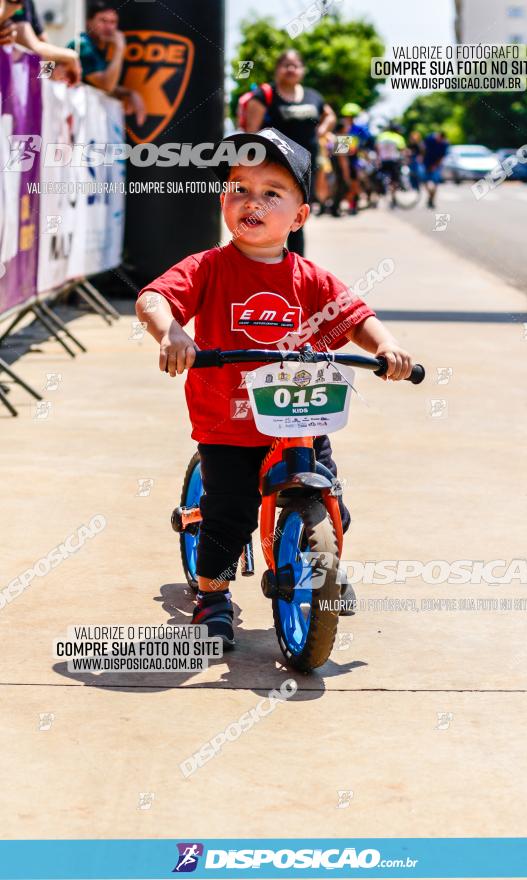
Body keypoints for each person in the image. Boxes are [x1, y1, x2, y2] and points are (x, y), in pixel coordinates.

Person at [135, 128, 414, 647]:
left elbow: (356, 317)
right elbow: (155, 298)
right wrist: (172, 333)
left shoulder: (310, 279)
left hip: (301, 417)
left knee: (333, 500)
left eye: (271, 192)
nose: (251, 202)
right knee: (228, 515)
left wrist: (387, 347)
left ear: (300, 216)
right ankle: (213, 594)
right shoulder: (209, 268)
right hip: (229, 422)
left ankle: (321, 564)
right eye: (239, 188)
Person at [244, 49, 335, 256]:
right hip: (276, 167)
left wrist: (322, 129)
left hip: (306, 168)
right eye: (285, 64)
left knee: (297, 218)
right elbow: (252, 134)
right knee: (271, 215)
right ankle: (264, 260)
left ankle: (295, 266)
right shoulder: (264, 95)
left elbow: (330, 115)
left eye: (295, 65)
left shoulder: (313, 96)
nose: (290, 69)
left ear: (302, 70)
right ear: (277, 70)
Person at [67, 0, 145, 125]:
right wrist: (120, 49)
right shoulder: (81, 44)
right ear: (89, 22)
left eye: (113, 22)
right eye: (103, 20)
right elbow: (106, 85)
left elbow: (96, 85)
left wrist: (129, 93)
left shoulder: (98, 48)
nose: (109, 27)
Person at [4, 0, 81, 84]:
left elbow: (43, 43)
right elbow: (32, 46)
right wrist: (72, 56)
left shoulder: (28, 2)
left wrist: (48, 75)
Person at [375, 123, 406, 207]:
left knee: (378, 178)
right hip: (393, 161)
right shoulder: (398, 137)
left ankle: (377, 198)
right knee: (394, 181)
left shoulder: (382, 135)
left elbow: (377, 147)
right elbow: (403, 150)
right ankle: (393, 197)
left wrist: (378, 158)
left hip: (383, 161)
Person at [422, 130, 449, 208]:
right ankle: (430, 196)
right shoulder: (429, 139)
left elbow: (442, 157)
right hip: (426, 163)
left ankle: (431, 200)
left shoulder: (444, 144)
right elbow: (423, 149)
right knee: (424, 182)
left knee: (435, 183)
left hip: (436, 165)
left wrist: (435, 166)